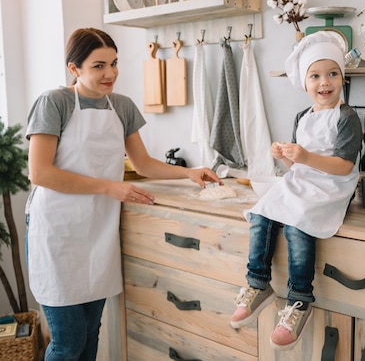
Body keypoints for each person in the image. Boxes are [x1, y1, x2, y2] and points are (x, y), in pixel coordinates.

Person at [25, 28, 220, 361]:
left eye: (114, 63)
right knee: (67, 343)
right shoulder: (54, 102)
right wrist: (108, 186)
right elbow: (40, 173)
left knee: (90, 338)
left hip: (97, 233)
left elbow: (143, 163)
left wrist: (189, 172)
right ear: (75, 69)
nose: (110, 74)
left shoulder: (122, 106)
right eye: (98, 66)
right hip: (57, 234)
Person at [230, 31, 362, 351]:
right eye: (315, 75)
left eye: (332, 73)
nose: (324, 82)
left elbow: (344, 166)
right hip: (303, 181)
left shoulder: (347, 117)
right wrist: (286, 157)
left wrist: (304, 157)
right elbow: (298, 168)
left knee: (297, 222)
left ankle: (300, 300)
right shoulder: (302, 117)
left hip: (332, 186)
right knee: (262, 213)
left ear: (342, 78)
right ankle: (257, 284)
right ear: (305, 82)